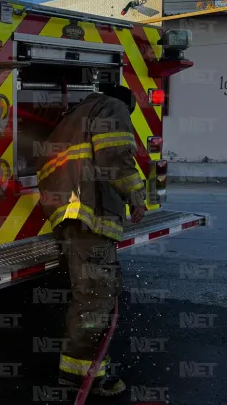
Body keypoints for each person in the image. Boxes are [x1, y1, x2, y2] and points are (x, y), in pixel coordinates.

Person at [36, 83, 145, 399]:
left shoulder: (77, 116)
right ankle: (85, 380)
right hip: (90, 218)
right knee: (95, 299)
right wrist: (136, 195)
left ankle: (76, 373)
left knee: (89, 296)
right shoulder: (113, 106)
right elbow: (115, 156)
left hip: (71, 217)